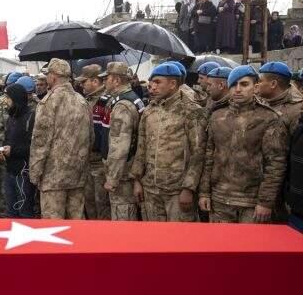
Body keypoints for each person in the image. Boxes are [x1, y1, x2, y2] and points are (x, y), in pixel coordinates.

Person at [198, 65, 288, 223]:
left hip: (251, 201)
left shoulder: (269, 118)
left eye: (244, 84)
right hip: (220, 199)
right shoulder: (217, 116)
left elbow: (275, 164)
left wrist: (265, 202)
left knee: (249, 247)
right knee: (219, 246)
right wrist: (204, 192)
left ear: (256, 87)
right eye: (233, 85)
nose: (238, 89)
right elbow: (209, 156)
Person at [130, 63, 207, 222]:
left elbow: (198, 153)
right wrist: (137, 180)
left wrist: (189, 188)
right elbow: (141, 147)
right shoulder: (149, 111)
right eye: (151, 82)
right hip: (150, 189)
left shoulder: (191, 111)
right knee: (153, 240)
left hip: (177, 191)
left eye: (158, 82)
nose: (152, 86)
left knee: (179, 241)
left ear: (172, 84)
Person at [30, 58, 92, 219]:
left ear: (54, 77)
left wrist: (35, 172)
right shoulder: (82, 100)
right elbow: (90, 137)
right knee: (76, 222)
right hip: (77, 173)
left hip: (53, 176)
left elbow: (40, 141)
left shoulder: (48, 102)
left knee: (53, 224)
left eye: (48, 74)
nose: (46, 78)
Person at [99, 62, 144, 220]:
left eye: (107, 78)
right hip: (124, 171)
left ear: (117, 80)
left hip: (123, 174)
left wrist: (112, 178)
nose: (104, 82)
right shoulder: (124, 99)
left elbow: (120, 146)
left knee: (123, 217)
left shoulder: (122, 105)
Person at [75, 64, 110, 220]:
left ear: (95, 81)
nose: (81, 85)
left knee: (102, 204)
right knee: (89, 203)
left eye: (84, 82)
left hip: (101, 162)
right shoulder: (87, 101)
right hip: (87, 160)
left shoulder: (106, 101)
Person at [0, 83, 36, 218]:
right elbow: (8, 139)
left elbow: (34, 147)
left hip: (24, 173)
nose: (6, 101)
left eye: (8, 98)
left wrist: (12, 151)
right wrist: (3, 150)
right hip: (10, 170)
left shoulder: (32, 117)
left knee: (25, 212)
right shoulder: (11, 117)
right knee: (11, 211)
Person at [0, 72, 22, 215]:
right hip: (4, 153)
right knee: (5, 191)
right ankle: (5, 216)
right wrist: (2, 149)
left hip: (19, 155)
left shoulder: (27, 102)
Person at [256, 61, 303, 136]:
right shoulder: (259, 103)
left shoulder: (298, 111)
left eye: (260, 81)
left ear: (273, 84)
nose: (257, 84)